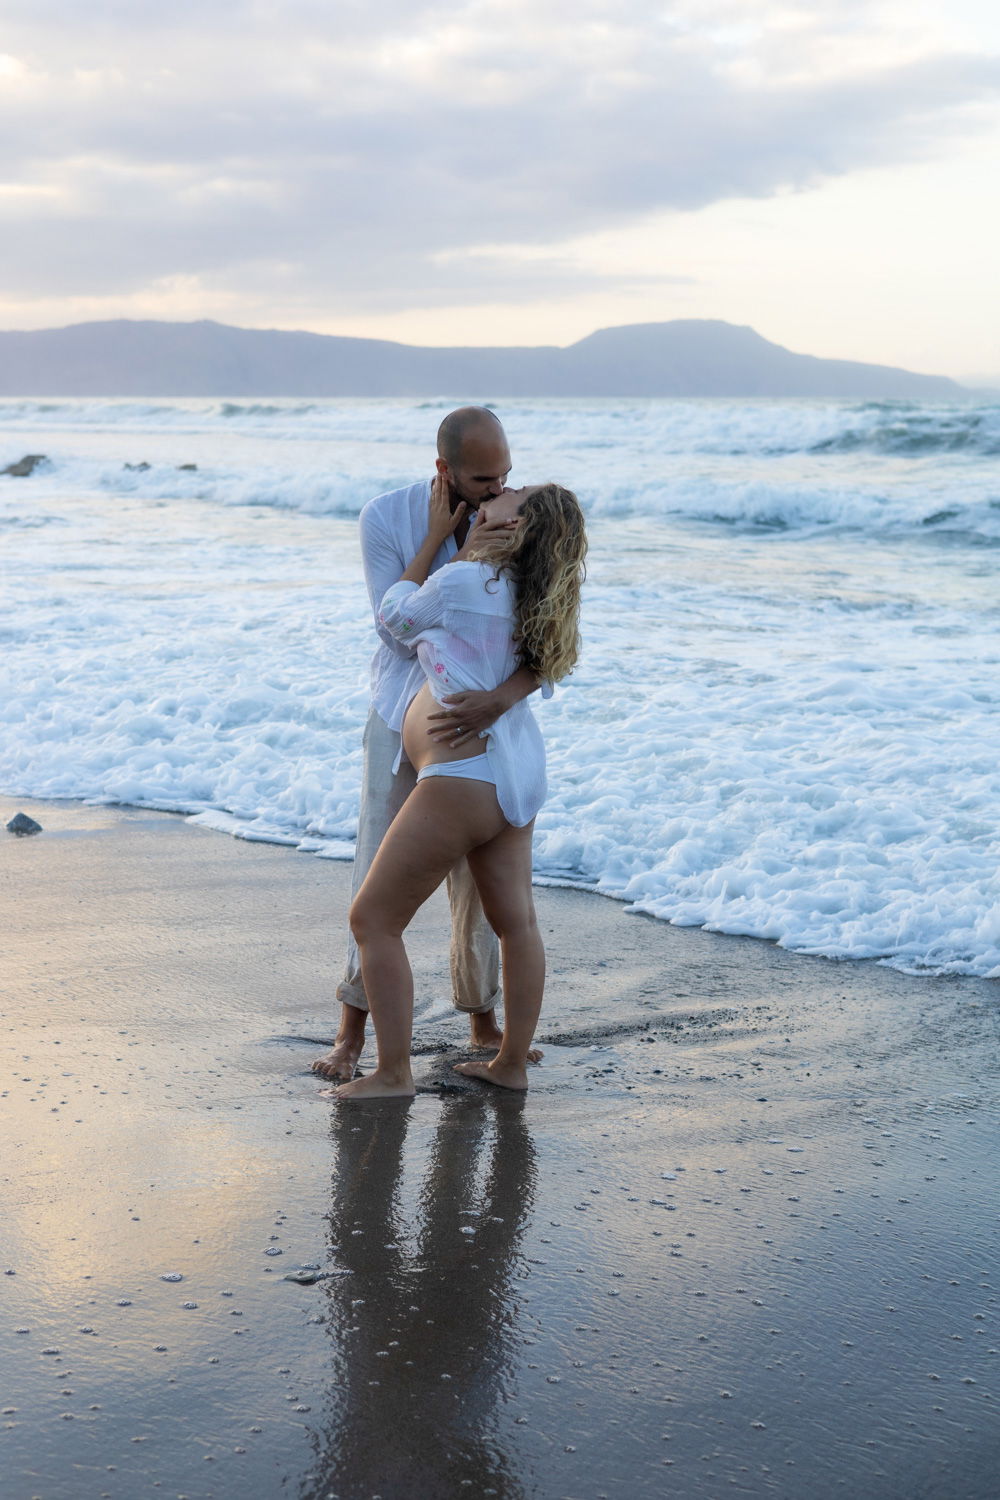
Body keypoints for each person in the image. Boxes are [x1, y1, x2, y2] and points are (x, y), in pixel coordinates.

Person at [335, 476, 587, 1098]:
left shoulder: (461, 580)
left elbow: (394, 616)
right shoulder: (536, 590)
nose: (497, 493)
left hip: (461, 780)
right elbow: (544, 665)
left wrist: (444, 546)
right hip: (517, 772)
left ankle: (392, 1073)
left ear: (513, 525)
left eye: (511, 494)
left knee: (373, 918)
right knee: (516, 924)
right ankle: (510, 1063)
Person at [312, 407, 541, 1082]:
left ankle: (483, 1021)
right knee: (376, 867)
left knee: (483, 885)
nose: (497, 489)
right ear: (443, 469)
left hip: (481, 720)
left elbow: (543, 637)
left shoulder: (515, 520)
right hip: (399, 712)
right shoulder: (386, 517)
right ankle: (352, 1030)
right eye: (481, 477)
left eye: (505, 475)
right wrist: (442, 539)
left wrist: (499, 700)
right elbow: (394, 629)